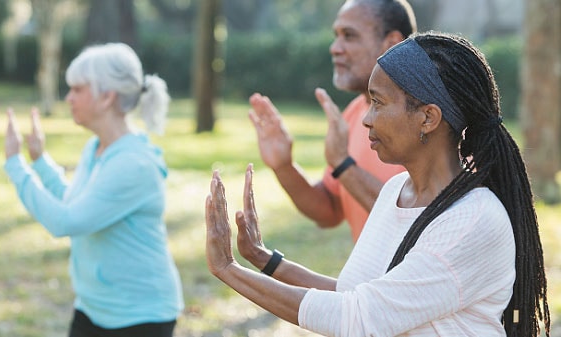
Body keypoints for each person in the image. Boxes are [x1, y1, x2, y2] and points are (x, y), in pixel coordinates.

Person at [205, 32, 550, 336]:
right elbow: (353, 295)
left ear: (428, 118)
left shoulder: (472, 220)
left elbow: (359, 319)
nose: (367, 119)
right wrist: (265, 260)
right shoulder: (395, 192)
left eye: (379, 103)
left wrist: (228, 270)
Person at [4, 43, 184, 337]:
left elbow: (67, 222)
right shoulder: (97, 148)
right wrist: (39, 161)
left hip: (140, 316)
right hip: (93, 307)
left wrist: (15, 165)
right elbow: (73, 203)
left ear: (106, 97)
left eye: (77, 89)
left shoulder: (133, 164)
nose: (68, 97)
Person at [248, 0, 415, 240]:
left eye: (349, 36)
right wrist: (284, 166)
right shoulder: (355, 112)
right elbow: (330, 210)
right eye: (336, 35)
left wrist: (343, 164)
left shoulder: (428, 119)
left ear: (392, 44)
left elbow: (421, 224)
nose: (335, 48)